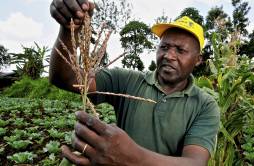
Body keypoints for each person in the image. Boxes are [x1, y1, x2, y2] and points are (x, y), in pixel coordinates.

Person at [49, 0, 220, 165]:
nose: (169, 56)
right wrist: (70, 28)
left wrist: (130, 158)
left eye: (180, 50)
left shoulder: (205, 105)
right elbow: (66, 79)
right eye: (164, 47)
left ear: (198, 60)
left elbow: (195, 162)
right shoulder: (127, 80)